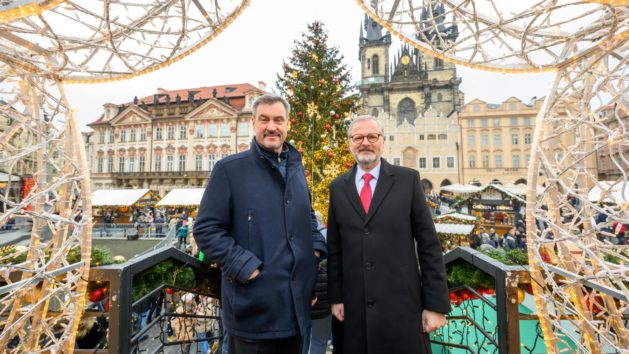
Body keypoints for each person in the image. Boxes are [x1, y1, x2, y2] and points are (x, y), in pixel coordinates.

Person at [193, 94, 326, 354]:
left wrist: (316, 251)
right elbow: (206, 230)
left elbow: (308, 217)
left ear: (288, 125)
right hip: (253, 310)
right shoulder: (229, 169)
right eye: (264, 119)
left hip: (295, 309)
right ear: (253, 124)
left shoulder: (296, 169)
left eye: (278, 120)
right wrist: (246, 267)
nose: (272, 126)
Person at [327, 115, 450, 354]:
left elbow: (429, 245)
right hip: (354, 310)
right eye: (358, 137)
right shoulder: (338, 187)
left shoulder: (407, 180)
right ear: (350, 143)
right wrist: (336, 297)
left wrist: (435, 305)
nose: (365, 143)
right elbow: (335, 248)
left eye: (372, 137)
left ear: (383, 141)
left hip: (402, 308)